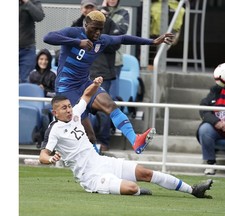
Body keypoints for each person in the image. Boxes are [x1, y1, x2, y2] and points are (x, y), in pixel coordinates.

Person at [39, 77, 213, 197]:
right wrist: (51, 158)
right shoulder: (54, 130)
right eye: (64, 108)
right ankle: (136, 191)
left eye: (69, 106)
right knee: (132, 188)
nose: (69, 110)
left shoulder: (76, 113)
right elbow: (42, 155)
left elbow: (86, 95)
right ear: (55, 112)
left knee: (145, 172)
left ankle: (193, 190)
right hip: (90, 176)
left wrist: (95, 83)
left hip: (103, 162)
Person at [43, 10, 175, 154]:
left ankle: (135, 140)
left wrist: (152, 42)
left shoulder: (102, 41)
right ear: (85, 25)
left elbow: (123, 38)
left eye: (101, 29)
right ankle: (86, 167)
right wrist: (77, 42)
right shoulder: (74, 33)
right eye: (95, 28)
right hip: (66, 89)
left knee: (110, 105)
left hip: (85, 84)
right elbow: (48, 37)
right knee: (90, 136)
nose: (98, 33)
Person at [71, 0, 122, 152]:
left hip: (102, 74)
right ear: (82, 10)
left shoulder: (107, 23)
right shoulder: (77, 24)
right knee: (80, 109)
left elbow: (116, 44)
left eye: (91, 8)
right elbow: (70, 43)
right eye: (86, 8)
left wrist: (99, 38)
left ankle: (103, 141)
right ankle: (82, 142)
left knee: (105, 109)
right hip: (83, 75)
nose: (89, 11)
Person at [19, 0, 45, 83]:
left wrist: (27, 2)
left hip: (27, 50)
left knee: (25, 80)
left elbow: (39, 17)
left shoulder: (33, 2)